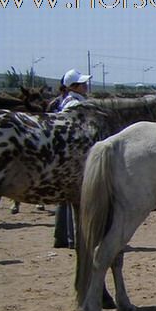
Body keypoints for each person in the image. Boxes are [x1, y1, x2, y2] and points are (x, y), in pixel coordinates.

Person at [53, 69, 91, 249]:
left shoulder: (68, 101)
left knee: (65, 199)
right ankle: (73, 238)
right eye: (82, 84)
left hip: (67, 153)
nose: (86, 86)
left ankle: (62, 237)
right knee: (74, 196)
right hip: (74, 153)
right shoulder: (74, 104)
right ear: (74, 87)